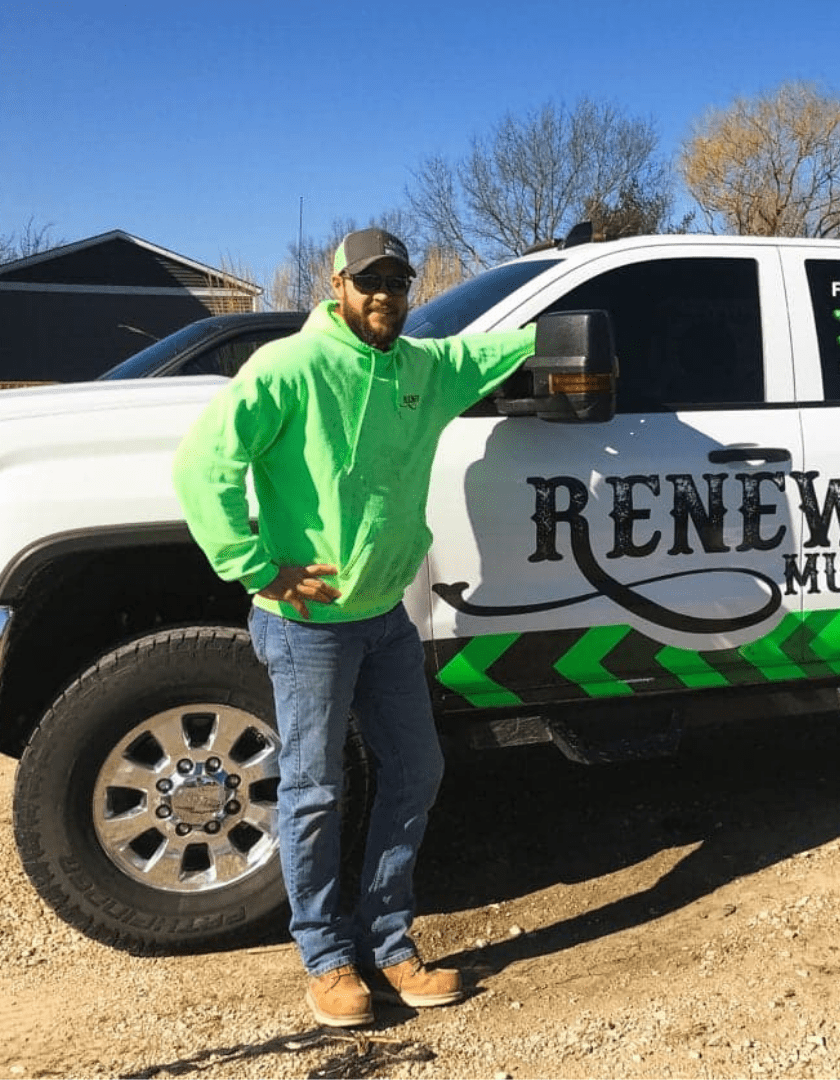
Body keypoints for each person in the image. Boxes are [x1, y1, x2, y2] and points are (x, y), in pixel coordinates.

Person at [172, 228, 536, 1027]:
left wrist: (597, 305)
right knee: (312, 792)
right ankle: (327, 960)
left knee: (416, 771)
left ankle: (389, 939)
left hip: (385, 621)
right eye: (368, 283)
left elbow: (501, 346)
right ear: (336, 285)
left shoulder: (422, 368)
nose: (384, 297)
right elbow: (204, 464)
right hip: (308, 628)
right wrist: (256, 565)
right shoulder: (290, 367)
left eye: (397, 284)